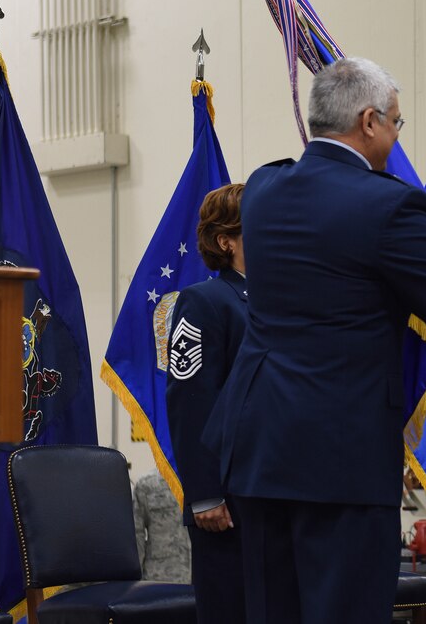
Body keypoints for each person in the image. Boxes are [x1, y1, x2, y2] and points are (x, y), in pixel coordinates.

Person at [203, 57, 426, 624]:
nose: (396, 135)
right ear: (368, 122)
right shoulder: (391, 206)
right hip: (340, 457)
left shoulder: (263, 188)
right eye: (397, 124)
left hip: (259, 449)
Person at [165, 182, 248, 624]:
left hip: (272, 496)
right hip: (227, 504)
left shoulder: (277, 302)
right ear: (226, 240)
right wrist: (204, 495)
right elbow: (190, 402)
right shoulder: (206, 302)